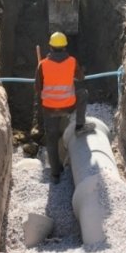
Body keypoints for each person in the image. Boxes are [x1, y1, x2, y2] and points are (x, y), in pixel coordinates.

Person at [34, 31, 93, 184]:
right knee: (83, 94)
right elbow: (81, 78)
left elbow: (38, 88)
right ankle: (80, 125)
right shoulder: (72, 61)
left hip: (49, 109)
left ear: (51, 46)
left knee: (52, 140)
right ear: (65, 46)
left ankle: (55, 174)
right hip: (68, 105)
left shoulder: (43, 65)